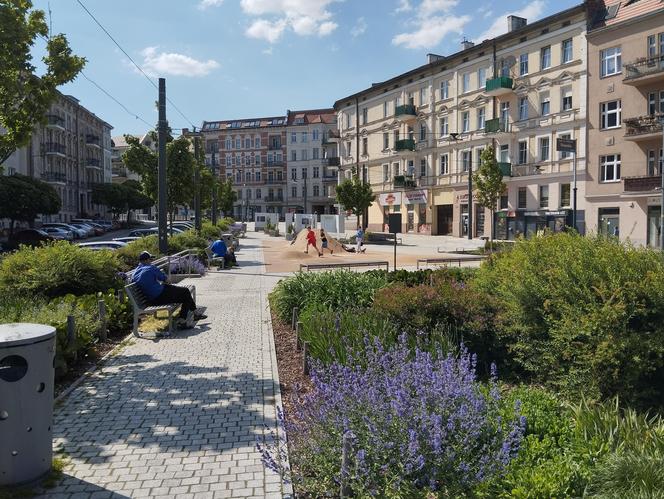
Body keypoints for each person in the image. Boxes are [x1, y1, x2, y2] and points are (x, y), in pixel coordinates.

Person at [132, 251, 206, 328]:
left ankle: (193, 314)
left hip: (150, 300)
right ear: (146, 260)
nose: (151, 262)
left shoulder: (134, 273)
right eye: (150, 260)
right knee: (185, 292)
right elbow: (167, 280)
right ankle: (185, 319)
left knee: (184, 293)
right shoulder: (150, 268)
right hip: (160, 295)